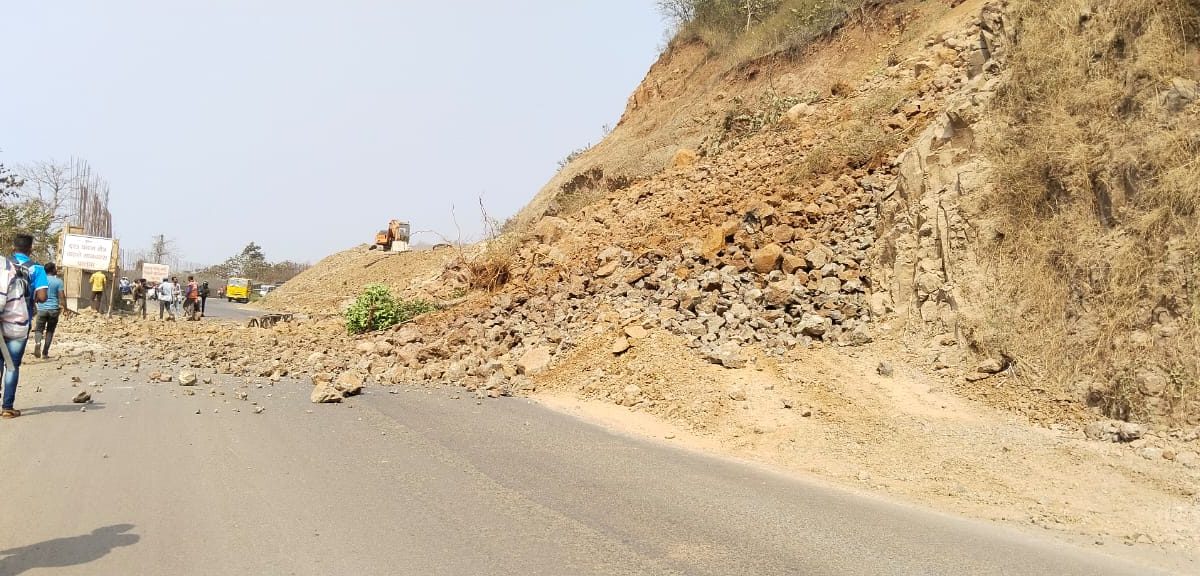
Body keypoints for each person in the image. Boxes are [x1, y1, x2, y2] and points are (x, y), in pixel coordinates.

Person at [2, 234, 48, 419]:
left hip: (0, 319)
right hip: (19, 323)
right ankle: (7, 407)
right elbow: (43, 296)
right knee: (12, 365)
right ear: (30, 249)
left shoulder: (3, 265)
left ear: (13, 247)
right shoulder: (37, 268)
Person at [32, 262, 65, 359]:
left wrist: (34, 305)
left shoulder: (40, 280)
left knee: (39, 329)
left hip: (41, 308)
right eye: (55, 268)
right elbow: (62, 296)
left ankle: (38, 342)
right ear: (52, 270)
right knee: (50, 331)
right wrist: (65, 308)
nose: (56, 270)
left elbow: (36, 294)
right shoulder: (58, 281)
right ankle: (45, 353)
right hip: (54, 309)